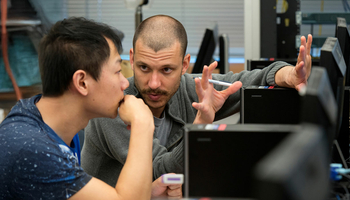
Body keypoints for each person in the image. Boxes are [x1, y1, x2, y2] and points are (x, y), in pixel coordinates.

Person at [81, 14, 313, 186]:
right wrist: (201, 123)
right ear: (131, 58)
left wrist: (289, 74)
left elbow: (249, 79)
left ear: (184, 65)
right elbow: (159, 172)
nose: (153, 83)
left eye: (166, 70)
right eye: (144, 67)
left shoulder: (187, 88)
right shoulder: (112, 108)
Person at [0, 17, 182, 199]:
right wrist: (142, 123)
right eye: (118, 71)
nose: (124, 82)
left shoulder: (41, 119)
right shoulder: (33, 150)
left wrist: (146, 194)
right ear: (82, 82)